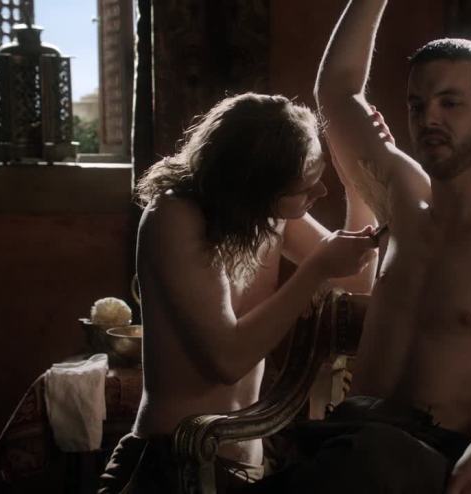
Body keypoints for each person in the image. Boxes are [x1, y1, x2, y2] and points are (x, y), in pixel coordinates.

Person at [250, 1, 471, 493]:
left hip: (431, 463)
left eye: (450, 103)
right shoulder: (404, 201)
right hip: (349, 447)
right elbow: (337, 91)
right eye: (417, 105)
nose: (430, 119)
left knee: (369, 459)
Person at [98, 92, 379, 493]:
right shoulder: (174, 217)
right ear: (254, 186)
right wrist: (315, 270)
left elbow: (357, 282)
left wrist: (358, 182)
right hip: (172, 464)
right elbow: (226, 360)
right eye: (304, 187)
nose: (320, 193)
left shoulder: (269, 214)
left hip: (246, 463)